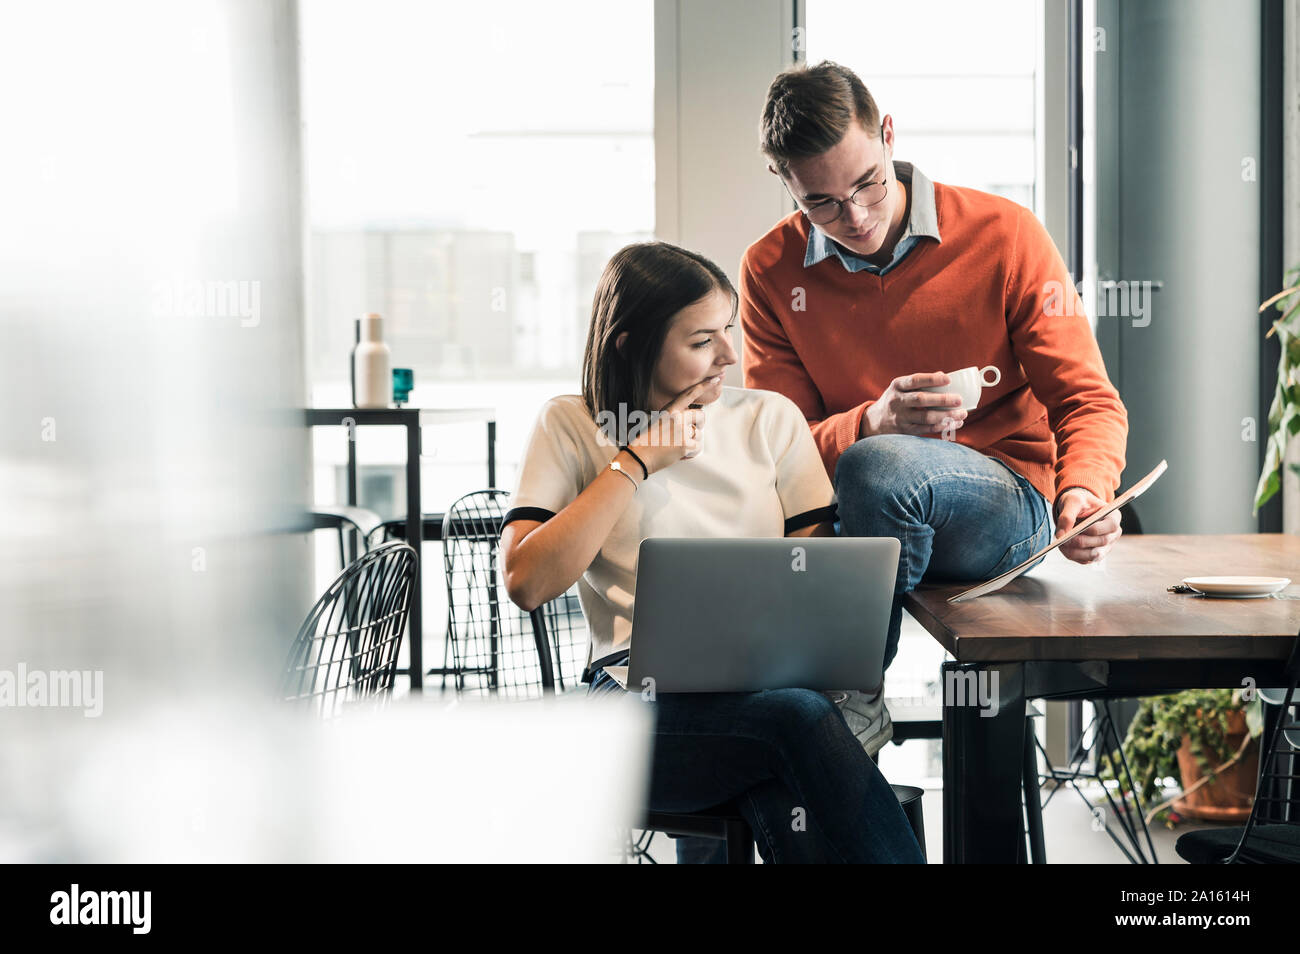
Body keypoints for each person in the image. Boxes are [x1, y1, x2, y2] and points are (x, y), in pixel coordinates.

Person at [740, 61, 1129, 755]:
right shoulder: (769, 271)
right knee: (864, 467)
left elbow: (1087, 399)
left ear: (888, 135)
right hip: (852, 516)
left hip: (1007, 505)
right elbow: (777, 449)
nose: (853, 217)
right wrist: (872, 419)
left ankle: (847, 698)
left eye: (866, 183)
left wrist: (1083, 493)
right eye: (821, 204)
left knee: (880, 468)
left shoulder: (1005, 234)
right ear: (785, 183)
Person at [500, 241, 924, 864]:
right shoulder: (571, 423)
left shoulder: (769, 420)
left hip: (764, 699)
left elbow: (815, 589)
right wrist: (637, 460)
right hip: (628, 705)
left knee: (787, 764)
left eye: (727, 331)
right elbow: (526, 582)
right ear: (630, 343)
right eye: (702, 341)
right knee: (797, 730)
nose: (730, 354)